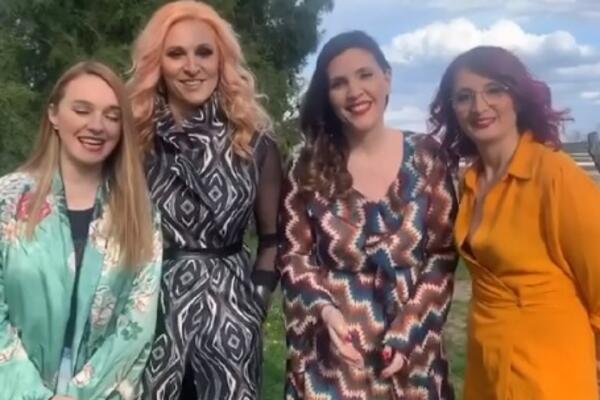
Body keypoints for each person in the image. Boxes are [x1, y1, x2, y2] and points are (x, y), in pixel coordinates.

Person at [279, 30, 458, 400]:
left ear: (386, 78)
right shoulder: (307, 167)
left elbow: (442, 256)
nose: (355, 92)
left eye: (365, 75)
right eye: (339, 83)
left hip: (413, 358)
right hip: (335, 360)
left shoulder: (428, 157)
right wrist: (324, 311)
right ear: (327, 95)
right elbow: (294, 256)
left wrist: (409, 330)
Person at [127, 1, 282, 399]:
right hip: (153, 316)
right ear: (158, 64)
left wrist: (254, 304)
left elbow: (272, 239)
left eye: (204, 52)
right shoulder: (135, 140)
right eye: (176, 54)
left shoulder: (254, 141)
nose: (191, 66)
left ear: (221, 60)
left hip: (231, 318)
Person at [429, 45, 600, 400]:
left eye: (494, 90)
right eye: (464, 97)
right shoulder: (471, 181)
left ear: (517, 98)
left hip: (548, 374)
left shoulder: (554, 174)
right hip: (487, 367)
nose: (479, 107)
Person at [0, 61, 162, 399]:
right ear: (54, 114)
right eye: (82, 110)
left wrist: (78, 395)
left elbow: (138, 321)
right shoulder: (7, 200)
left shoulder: (139, 212)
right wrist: (34, 395)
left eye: (112, 116)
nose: (97, 126)